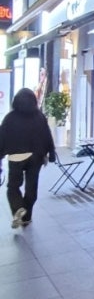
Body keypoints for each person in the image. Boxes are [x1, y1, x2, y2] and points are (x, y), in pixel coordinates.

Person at [0, 88, 56, 228]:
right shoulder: (39, 116)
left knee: (13, 187)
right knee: (31, 188)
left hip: (16, 157)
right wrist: (51, 153)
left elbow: (1, 139)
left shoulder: (10, 118)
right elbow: (47, 135)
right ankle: (26, 218)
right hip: (36, 157)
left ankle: (18, 207)